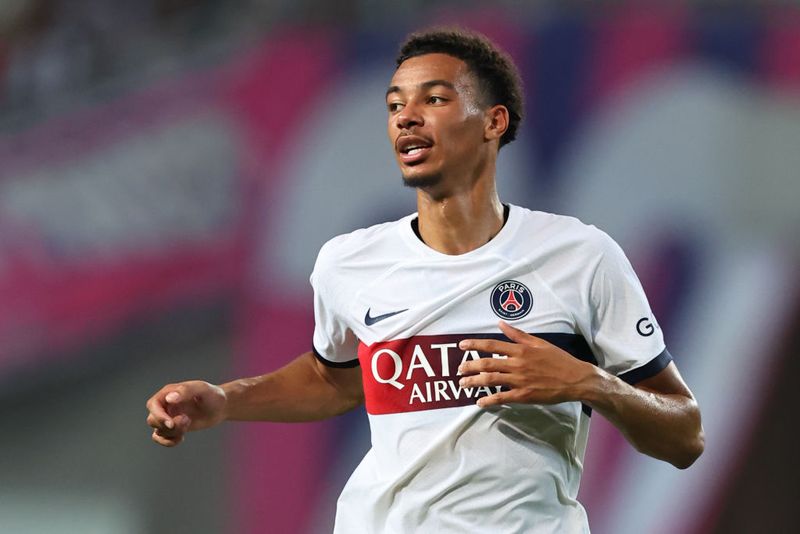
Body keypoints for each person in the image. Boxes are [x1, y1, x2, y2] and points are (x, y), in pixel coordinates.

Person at [146, 28, 704, 533]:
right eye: (395, 105)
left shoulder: (580, 256)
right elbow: (334, 378)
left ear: (494, 121)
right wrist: (224, 400)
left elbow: (684, 436)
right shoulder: (350, 260)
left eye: (433, 99)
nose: (406, 117)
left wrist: (586, 382)